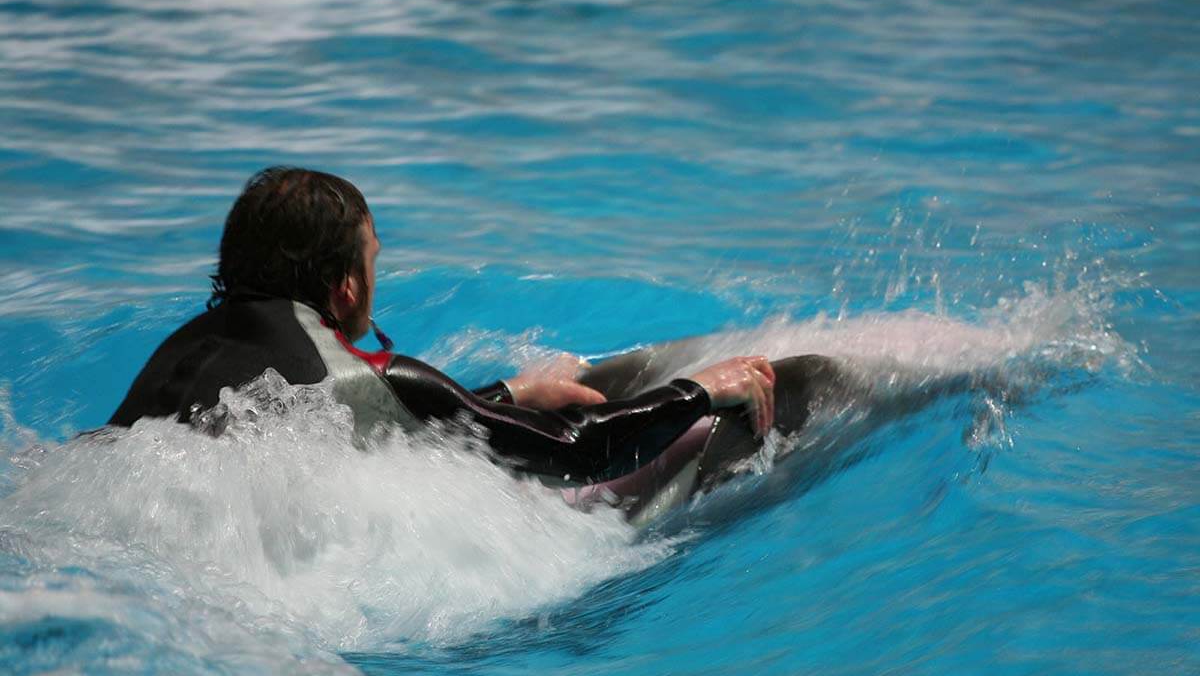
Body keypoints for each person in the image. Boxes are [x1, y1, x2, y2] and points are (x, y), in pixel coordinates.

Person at [109, 167, 776, 485]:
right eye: (372, 261)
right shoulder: (365, 373)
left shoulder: (183, 352)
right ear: (344, 288)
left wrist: (508, 395)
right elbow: (580, 450)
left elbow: (353, 422)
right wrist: (699, 390)